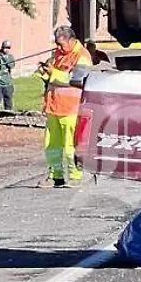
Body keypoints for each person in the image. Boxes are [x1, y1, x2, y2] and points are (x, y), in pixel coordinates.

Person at [36, 26, 93, 188]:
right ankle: (56, 176)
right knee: (52, 146)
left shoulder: (82, 56)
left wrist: (53, 72)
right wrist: (45, 72)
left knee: (71, 146)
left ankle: (75, 176)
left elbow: (77, 80)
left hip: (71, 109)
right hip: (53, 107)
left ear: (71, 40)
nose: (58, 47)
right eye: (56, 44)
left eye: (61, 44)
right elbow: (53, 78)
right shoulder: (58, 54)